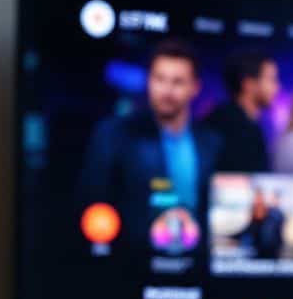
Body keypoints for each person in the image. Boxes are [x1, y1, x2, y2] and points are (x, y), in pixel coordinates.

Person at [78, 39, 221, 246]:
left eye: (178, 81)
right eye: (159, 79)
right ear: (149, 81)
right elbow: (92, 203)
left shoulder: (212, 142)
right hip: (132, 261)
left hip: (197, 262)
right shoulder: (115, 134)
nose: (167, 90)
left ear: (195, 87)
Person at [201, 49, 279, 173]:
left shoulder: (252, 125)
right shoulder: (227, 127)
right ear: (248, 84)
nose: (277, 87)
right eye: (271, 80)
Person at [246, 193, 285, 259]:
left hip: (271, 254)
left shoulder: (273, 219)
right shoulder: (251, 222)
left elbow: (275, 238)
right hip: (254, 254)